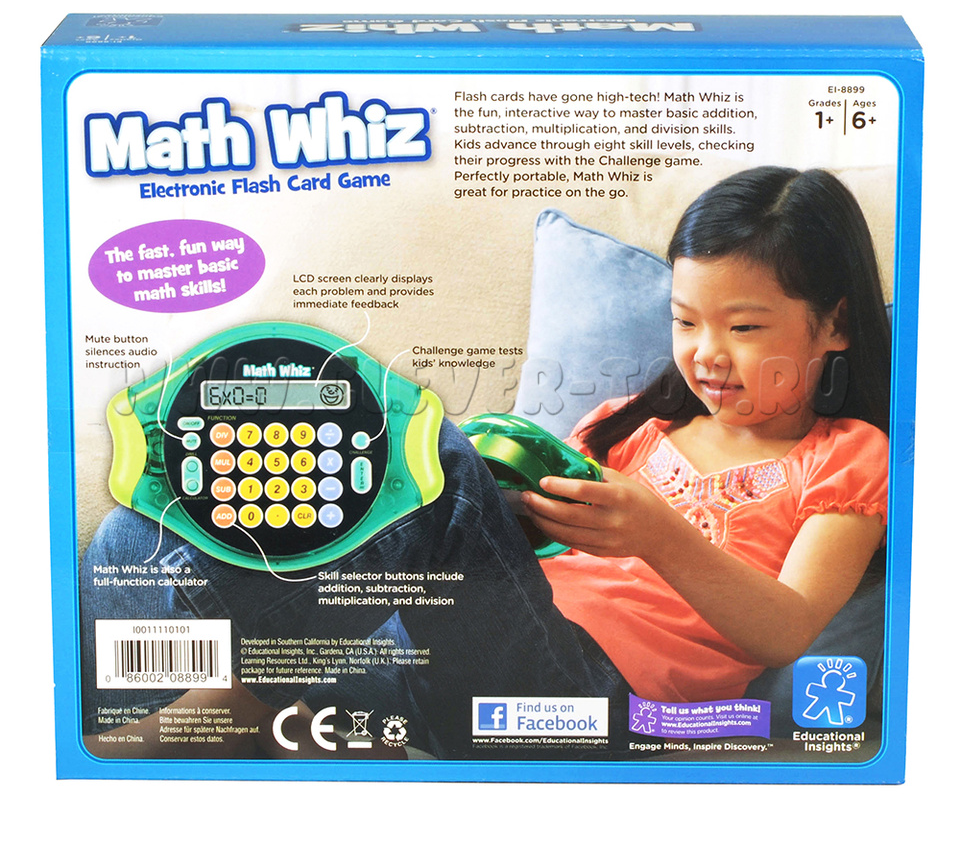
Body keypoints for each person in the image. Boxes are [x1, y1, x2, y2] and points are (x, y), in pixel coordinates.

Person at [80, 166, 889, 760]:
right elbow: (516, 559)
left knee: (432, 461)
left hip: (581, 708)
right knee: (145, 524)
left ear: (836, 325)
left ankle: (227, 711)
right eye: (685, 321)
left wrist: (653, 532)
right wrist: (511, 509)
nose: (706, 354)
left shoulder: (846, 454)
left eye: (743, 328)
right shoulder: (628, 428)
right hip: (425, 658)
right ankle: (160, 729)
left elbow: (789, 628)